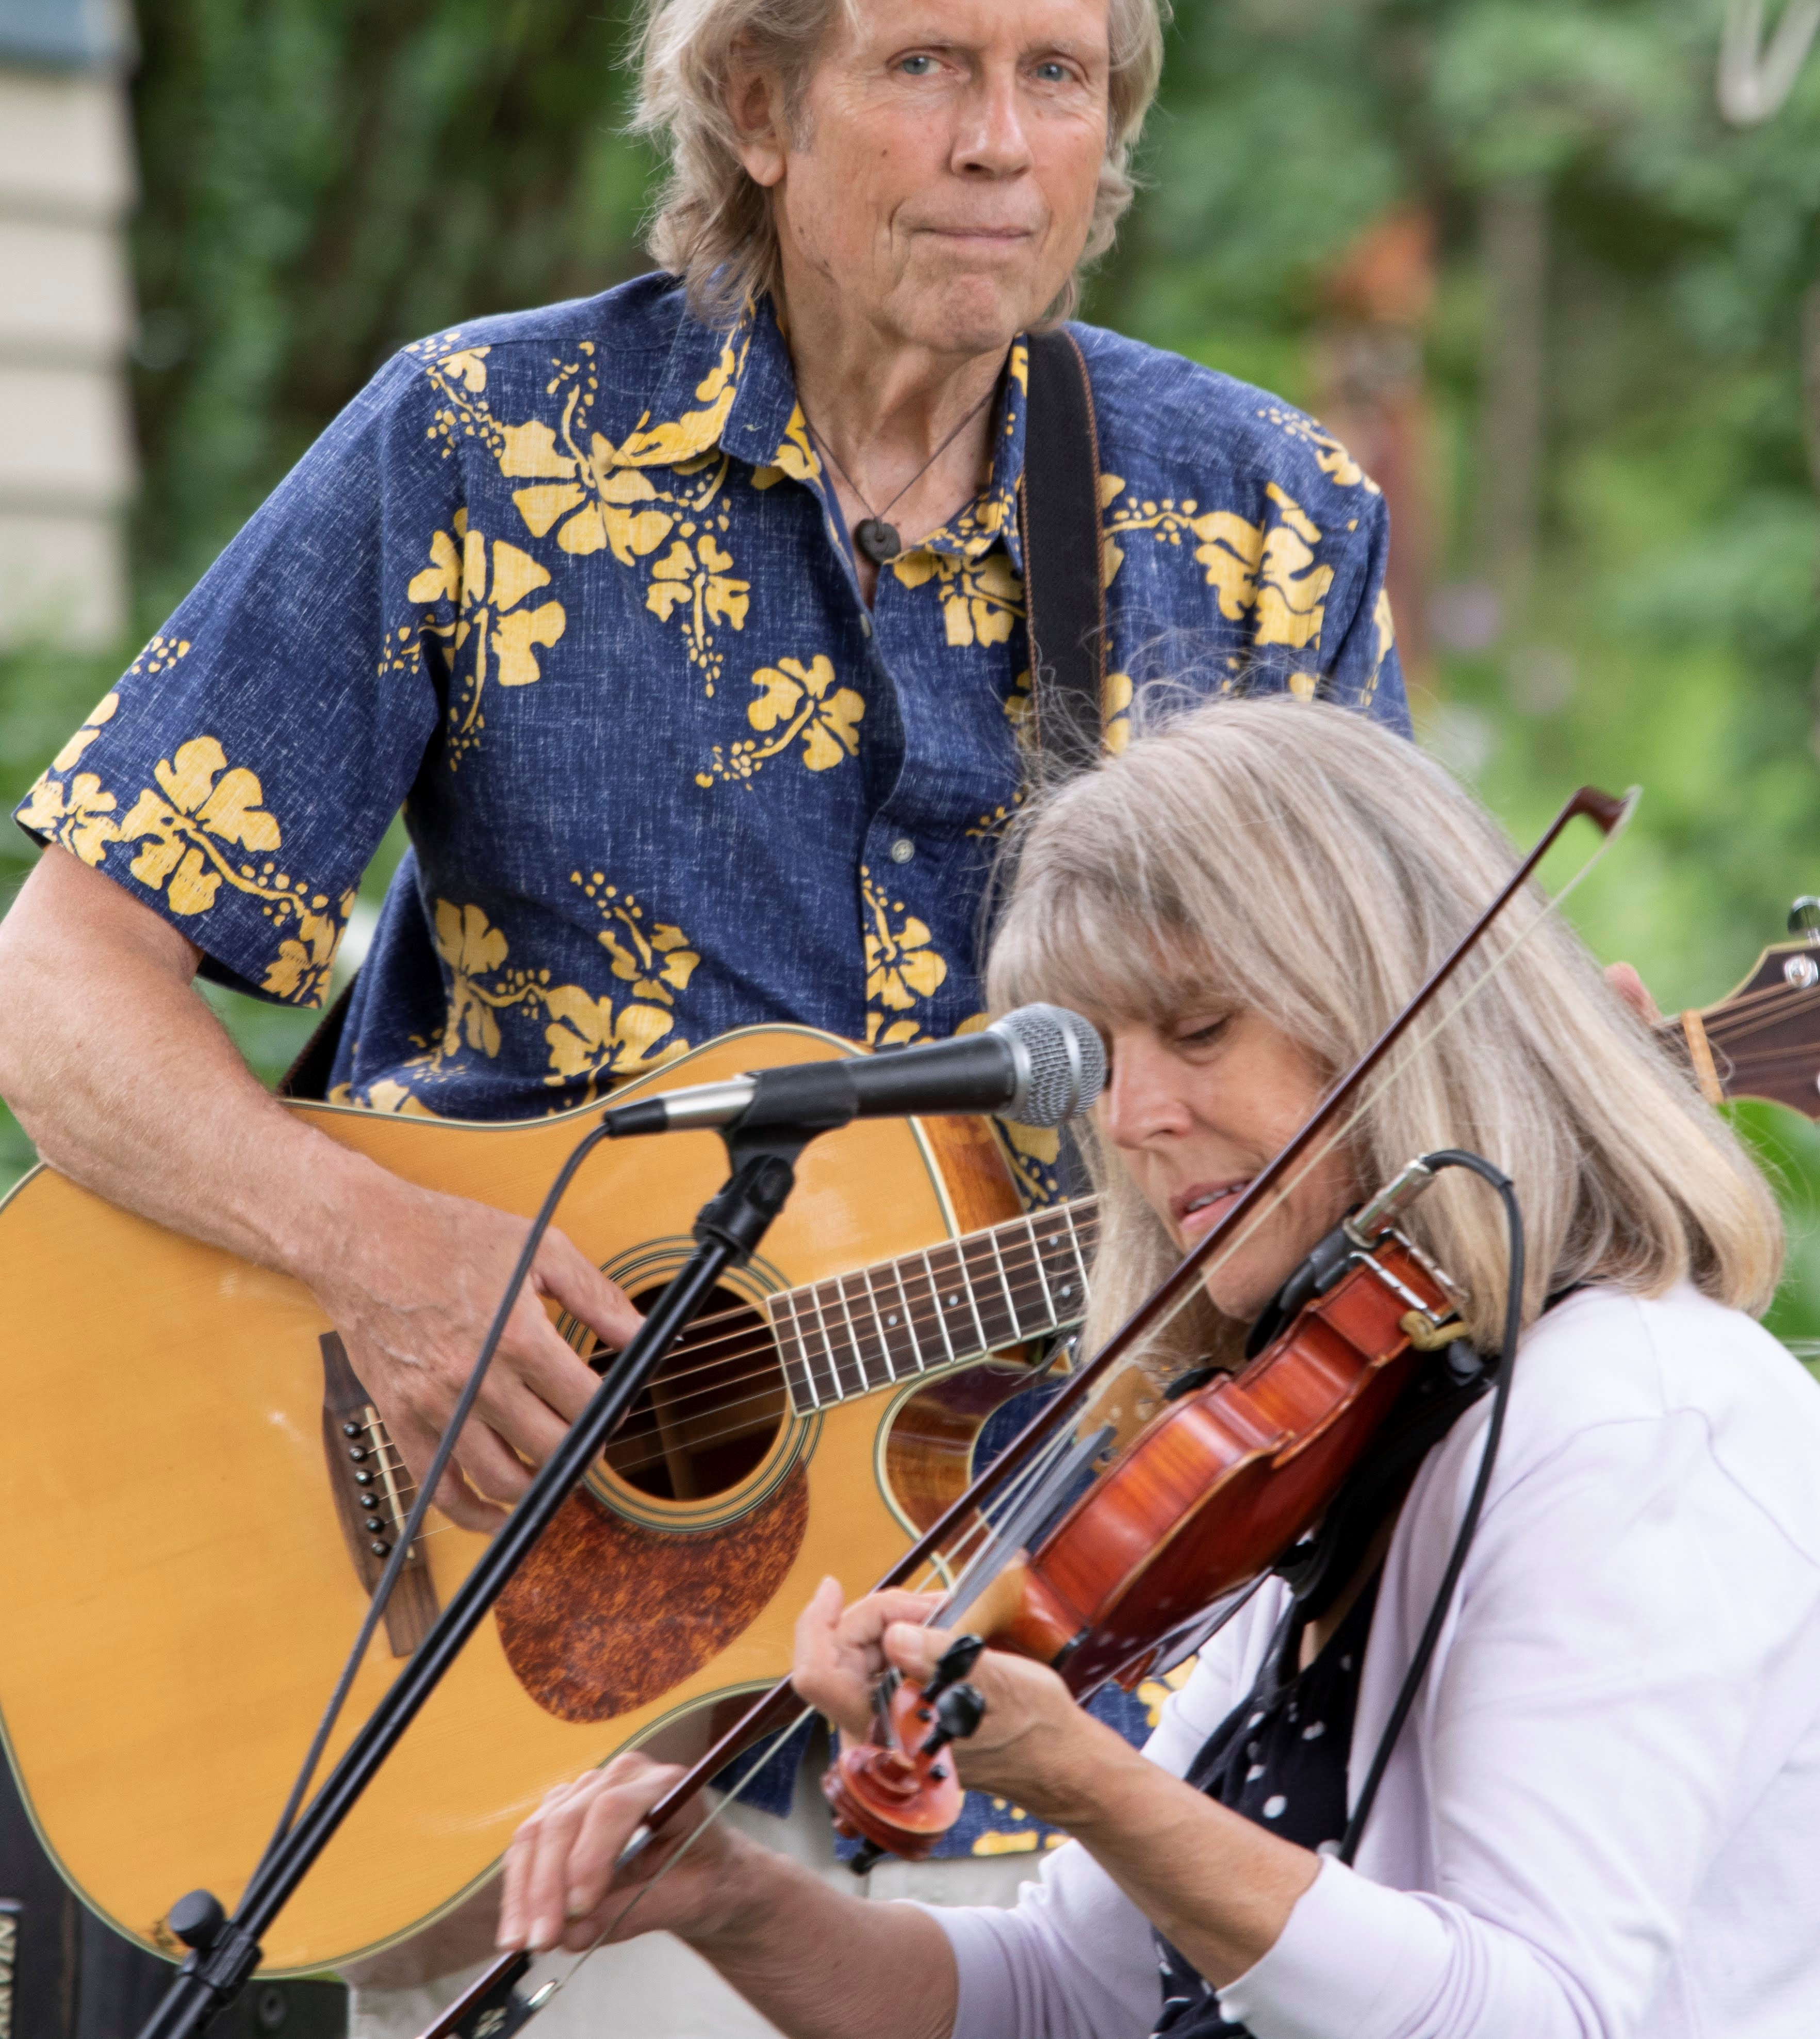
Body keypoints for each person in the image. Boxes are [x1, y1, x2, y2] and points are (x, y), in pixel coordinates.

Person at [0, 0, 1407, 2033]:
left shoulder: (1256, 522)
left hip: (1068, 1673)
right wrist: (393, 1258)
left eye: (1059, 77)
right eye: (925, 64)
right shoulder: (478, 453)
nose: (997, 141)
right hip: (501, 1680)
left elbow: (1388, 1079)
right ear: (754, 102)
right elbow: (60, 986)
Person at [495, 694, 1820, 2039]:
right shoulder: (1350, 1430)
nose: (1131, 1117)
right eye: (1105, 1058)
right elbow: (1067, 2000)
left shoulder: (1635, 1420)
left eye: (1195, 1032)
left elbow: (1542, 2016)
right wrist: (729, 1898)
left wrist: (1093, 1787)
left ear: (1405, 1024)